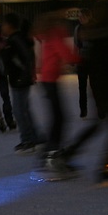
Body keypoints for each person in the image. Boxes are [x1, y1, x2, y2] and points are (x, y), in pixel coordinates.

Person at [57, 7, 108, 184]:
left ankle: (68, 154)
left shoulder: (99, 36)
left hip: (103, 89)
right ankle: (107, 166)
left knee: (100, 125)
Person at [34, 9, 80, 179]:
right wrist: (80, 58)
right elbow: (65, 53)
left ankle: (50, 155)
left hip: (48, 80)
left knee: (58, 118)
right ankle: (51, 156)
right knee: (60, 119)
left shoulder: (49, 33)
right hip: (50, 81)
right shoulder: (55, 33)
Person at [0, 13, 40, 154]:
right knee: (24, 110)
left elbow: (26, 58)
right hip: (18, 79)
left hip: (20, 80)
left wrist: (23, 76)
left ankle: (27, 140)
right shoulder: (12, 39)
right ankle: (36, 138)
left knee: (19, 110)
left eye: (4, 24)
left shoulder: (16, 39)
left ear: (9, 25)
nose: (2, 27)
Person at [74, 8, 92, 117]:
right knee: (82, 87)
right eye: (79, 17)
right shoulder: (78, 29)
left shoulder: (94, 28)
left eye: (83, 17)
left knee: (96, 86)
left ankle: (100, 108)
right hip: (82, 61)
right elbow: (76, 44)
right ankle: (83, 110)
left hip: (92, 60)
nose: (80, 19)